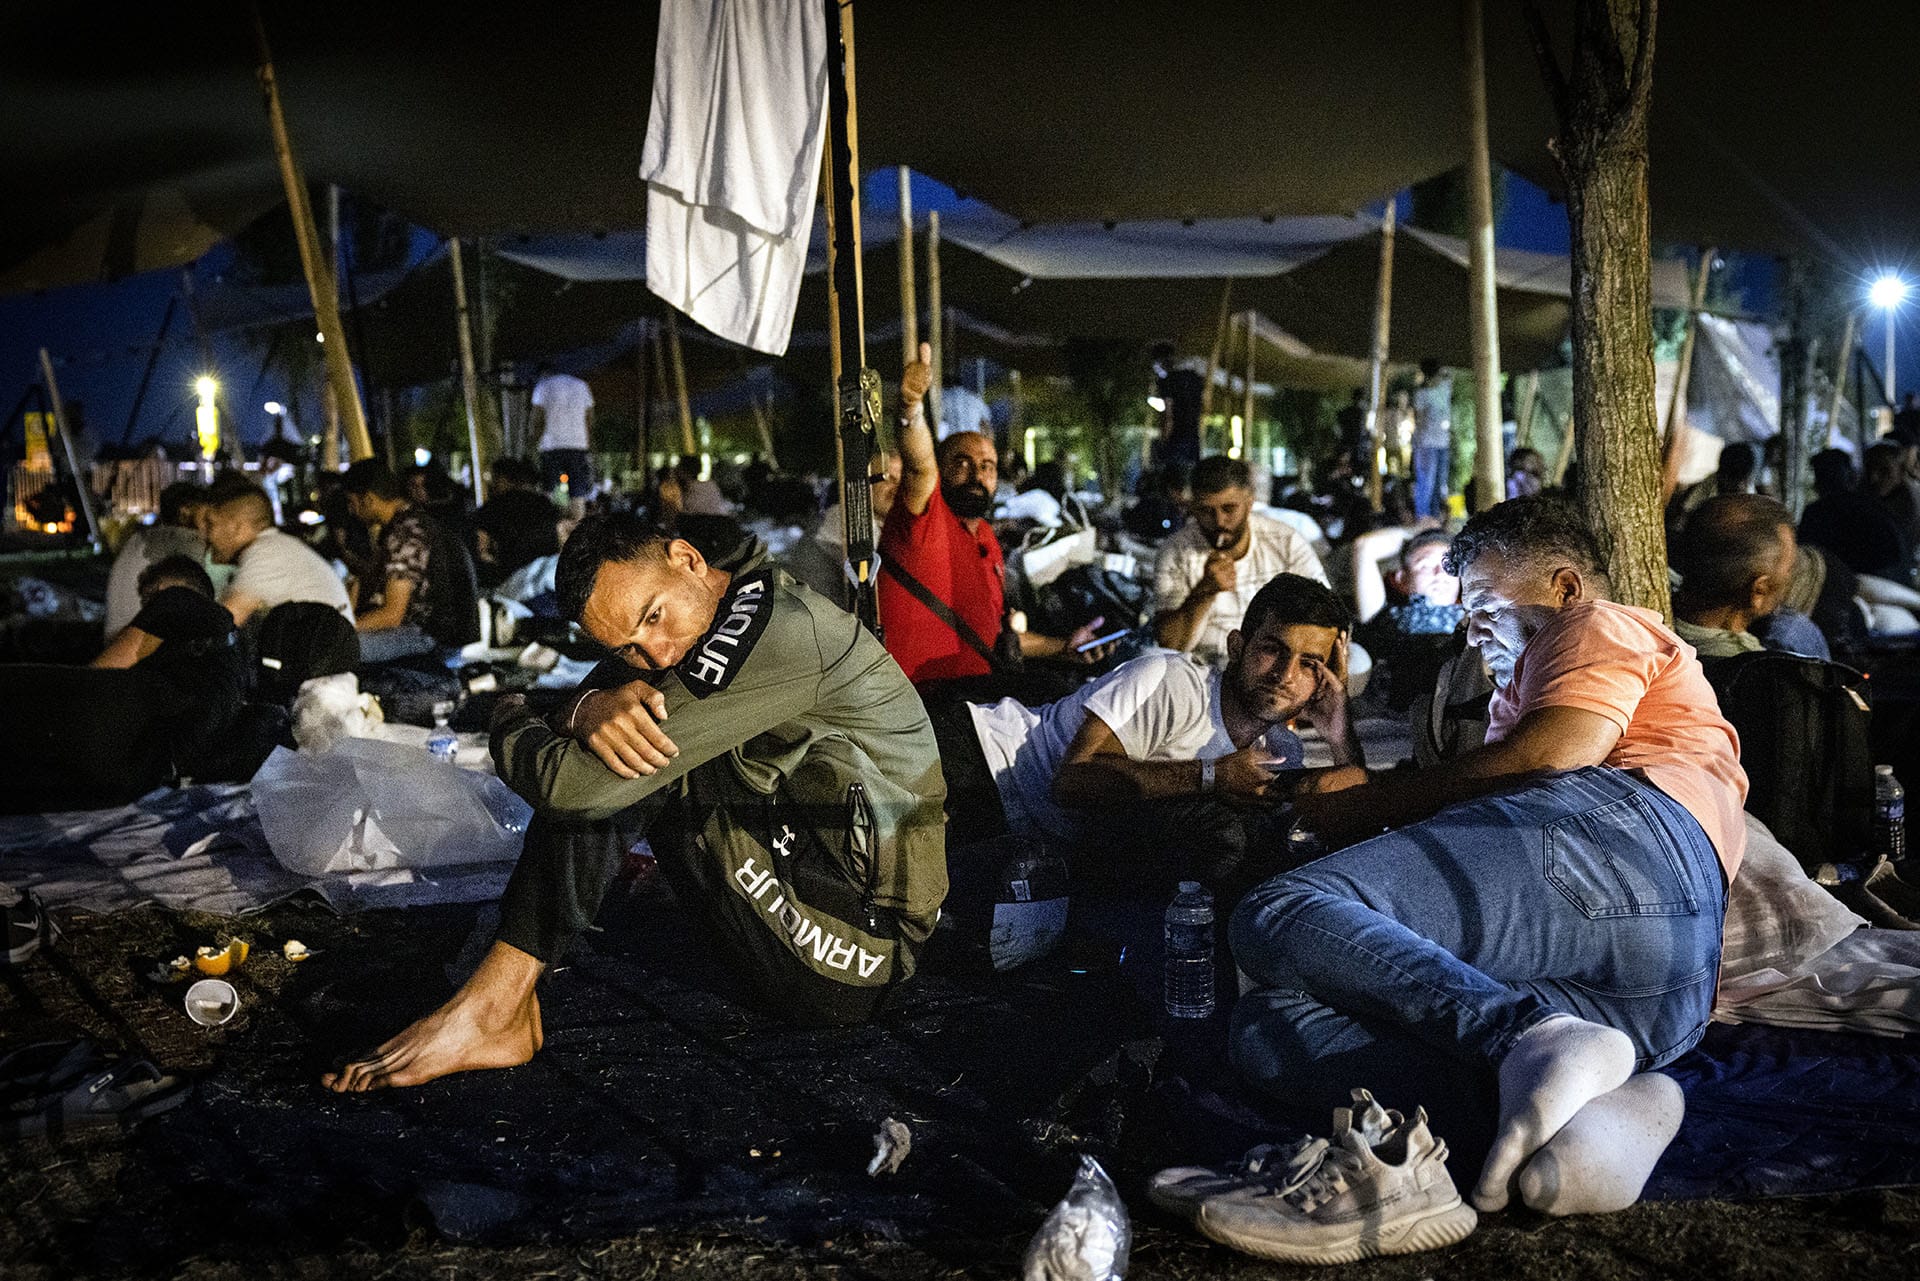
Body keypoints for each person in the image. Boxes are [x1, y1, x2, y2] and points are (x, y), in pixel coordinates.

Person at [1217, 496, 1743, 1241]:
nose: (1471, 628)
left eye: (1487, 606)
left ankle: (1519, 1041)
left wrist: (1362, 808)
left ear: (1563, 587)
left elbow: (1550, 757)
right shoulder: (1518, 697)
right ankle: (1592, 1118)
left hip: (1624, 842)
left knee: (1275, 912)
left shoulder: (1596, 623)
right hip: (1664, 998)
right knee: (1270, 1030)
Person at [321, 514, 948, 1092]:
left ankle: (491, 1008)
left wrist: (509, 715)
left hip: (861, 952)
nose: (658, 652)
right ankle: (495, 1005)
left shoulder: (778, 631)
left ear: (688, 560)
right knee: (633, 731)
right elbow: (606, 696)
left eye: (654, 617)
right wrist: (583, 705)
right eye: (625, 646)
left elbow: (574, 785)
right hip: (819, 887)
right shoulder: (722, 598)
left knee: (636, 760)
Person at [936, 574, 1360, 901]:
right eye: (1273, 649)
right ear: (1237, 646)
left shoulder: (1282, 749)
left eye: (1309, 664)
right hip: (978, 761)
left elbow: (1351, 808)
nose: (1285, 676)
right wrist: (1212, 775)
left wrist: (1340, 732)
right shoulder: (1170, 680)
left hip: (1033, 842)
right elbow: (1072, 782)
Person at [879, 343, 1106, 689]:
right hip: (923, 701)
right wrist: (910, 409)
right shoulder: (923, 519)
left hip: (982, 697)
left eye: (987, 467)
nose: (976, 474)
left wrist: (1065, 647)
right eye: (962, 463)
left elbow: (996, 637)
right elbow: (918, 463)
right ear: (941, 470)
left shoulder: (986, 535)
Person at [1153, 455, 1328, 667]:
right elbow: (1169, 645)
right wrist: (1204, 591)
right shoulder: (1175, 551)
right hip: (1203, 670)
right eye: (1206, 511)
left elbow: (1326, 619)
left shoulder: (1286, 543)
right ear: (1193, 507)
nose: (1219, 521)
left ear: (1249, 502)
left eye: (1229, 509)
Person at [91, 555, 247, 777]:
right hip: (205, 760)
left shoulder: (174, 599)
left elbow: (96, 677)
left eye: (148, 604)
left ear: (161, 590)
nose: (145, 613)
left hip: (167, 761)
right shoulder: (226, 633)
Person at [342, 459, 479, 661]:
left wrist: (341, 632)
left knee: (340, 651)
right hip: (441, 631)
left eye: (352, 503)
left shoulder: (405, 534)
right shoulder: (412, 520)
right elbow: (363, 581)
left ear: (369, 499)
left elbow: (391, 615)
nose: (350, 511)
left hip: (433, 637)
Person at [1671, 494, 1824, 659]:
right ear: (1759, 591)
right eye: (1789, 569)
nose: (1791, 577)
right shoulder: (1752, 671)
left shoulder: (1650, 615)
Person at [199, 479, 353, 627]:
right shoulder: (274, 546)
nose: (205, 535)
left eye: (211, 524)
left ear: (238, 528)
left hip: (325, 649)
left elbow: (224, 621)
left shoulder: (266, 553)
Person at [103, 481, 208, 637]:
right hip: (141, 646)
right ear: (185, 511)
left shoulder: (138, 538)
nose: (212, 520)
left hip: (116, 638)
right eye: (206, 514)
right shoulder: (186, 540)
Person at [1798, 448, 1909, 582]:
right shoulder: (1875, 508)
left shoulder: (1816, 513)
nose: (1874, 478)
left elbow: (1804, 560)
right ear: (1853, 476)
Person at [472, 457, 561, 589]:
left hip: (507, 580)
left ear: (503, 478)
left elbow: (482, 548)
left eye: (493, 478)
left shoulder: (492, 508)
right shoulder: (545, 505)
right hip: (542, 578)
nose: (491, 484)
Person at [529, 366, 596, 501]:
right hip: (578, 444)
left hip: (550, 445)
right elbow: (589, 418)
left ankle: (548, 518)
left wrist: (533, 443)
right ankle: (579, 520)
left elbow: (537, 419)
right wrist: (587, 441)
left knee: (547, 490)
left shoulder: (542, 386)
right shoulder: (581, 385)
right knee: (577, 493)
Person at [1410, 358, 1453, 520]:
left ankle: (1435, 518)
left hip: (1442, 442)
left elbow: (1449, 374)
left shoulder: (1445, 387)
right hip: (1426, 443)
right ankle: (1422, 518)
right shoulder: (1422, 394)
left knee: (1439, 482)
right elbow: (1419, 419)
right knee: (1426, 482)